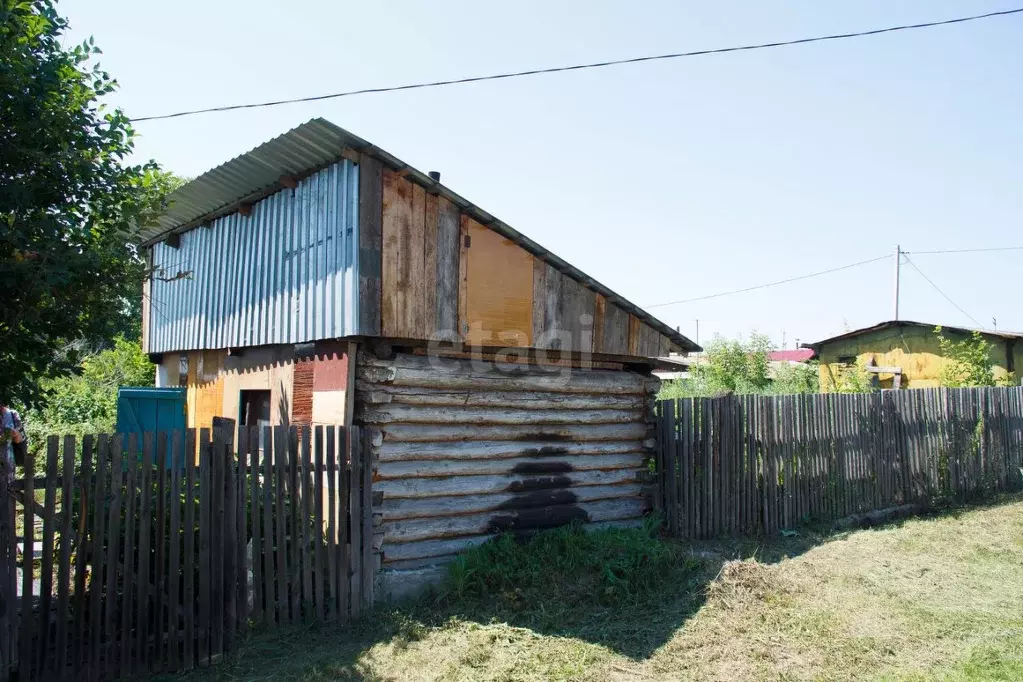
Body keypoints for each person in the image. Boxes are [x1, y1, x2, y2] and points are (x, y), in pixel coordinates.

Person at [0, 403, 26, 476]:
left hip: (7, 466)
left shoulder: (12, 414)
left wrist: (15, 433)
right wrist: (4, 436)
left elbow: (18, 440)